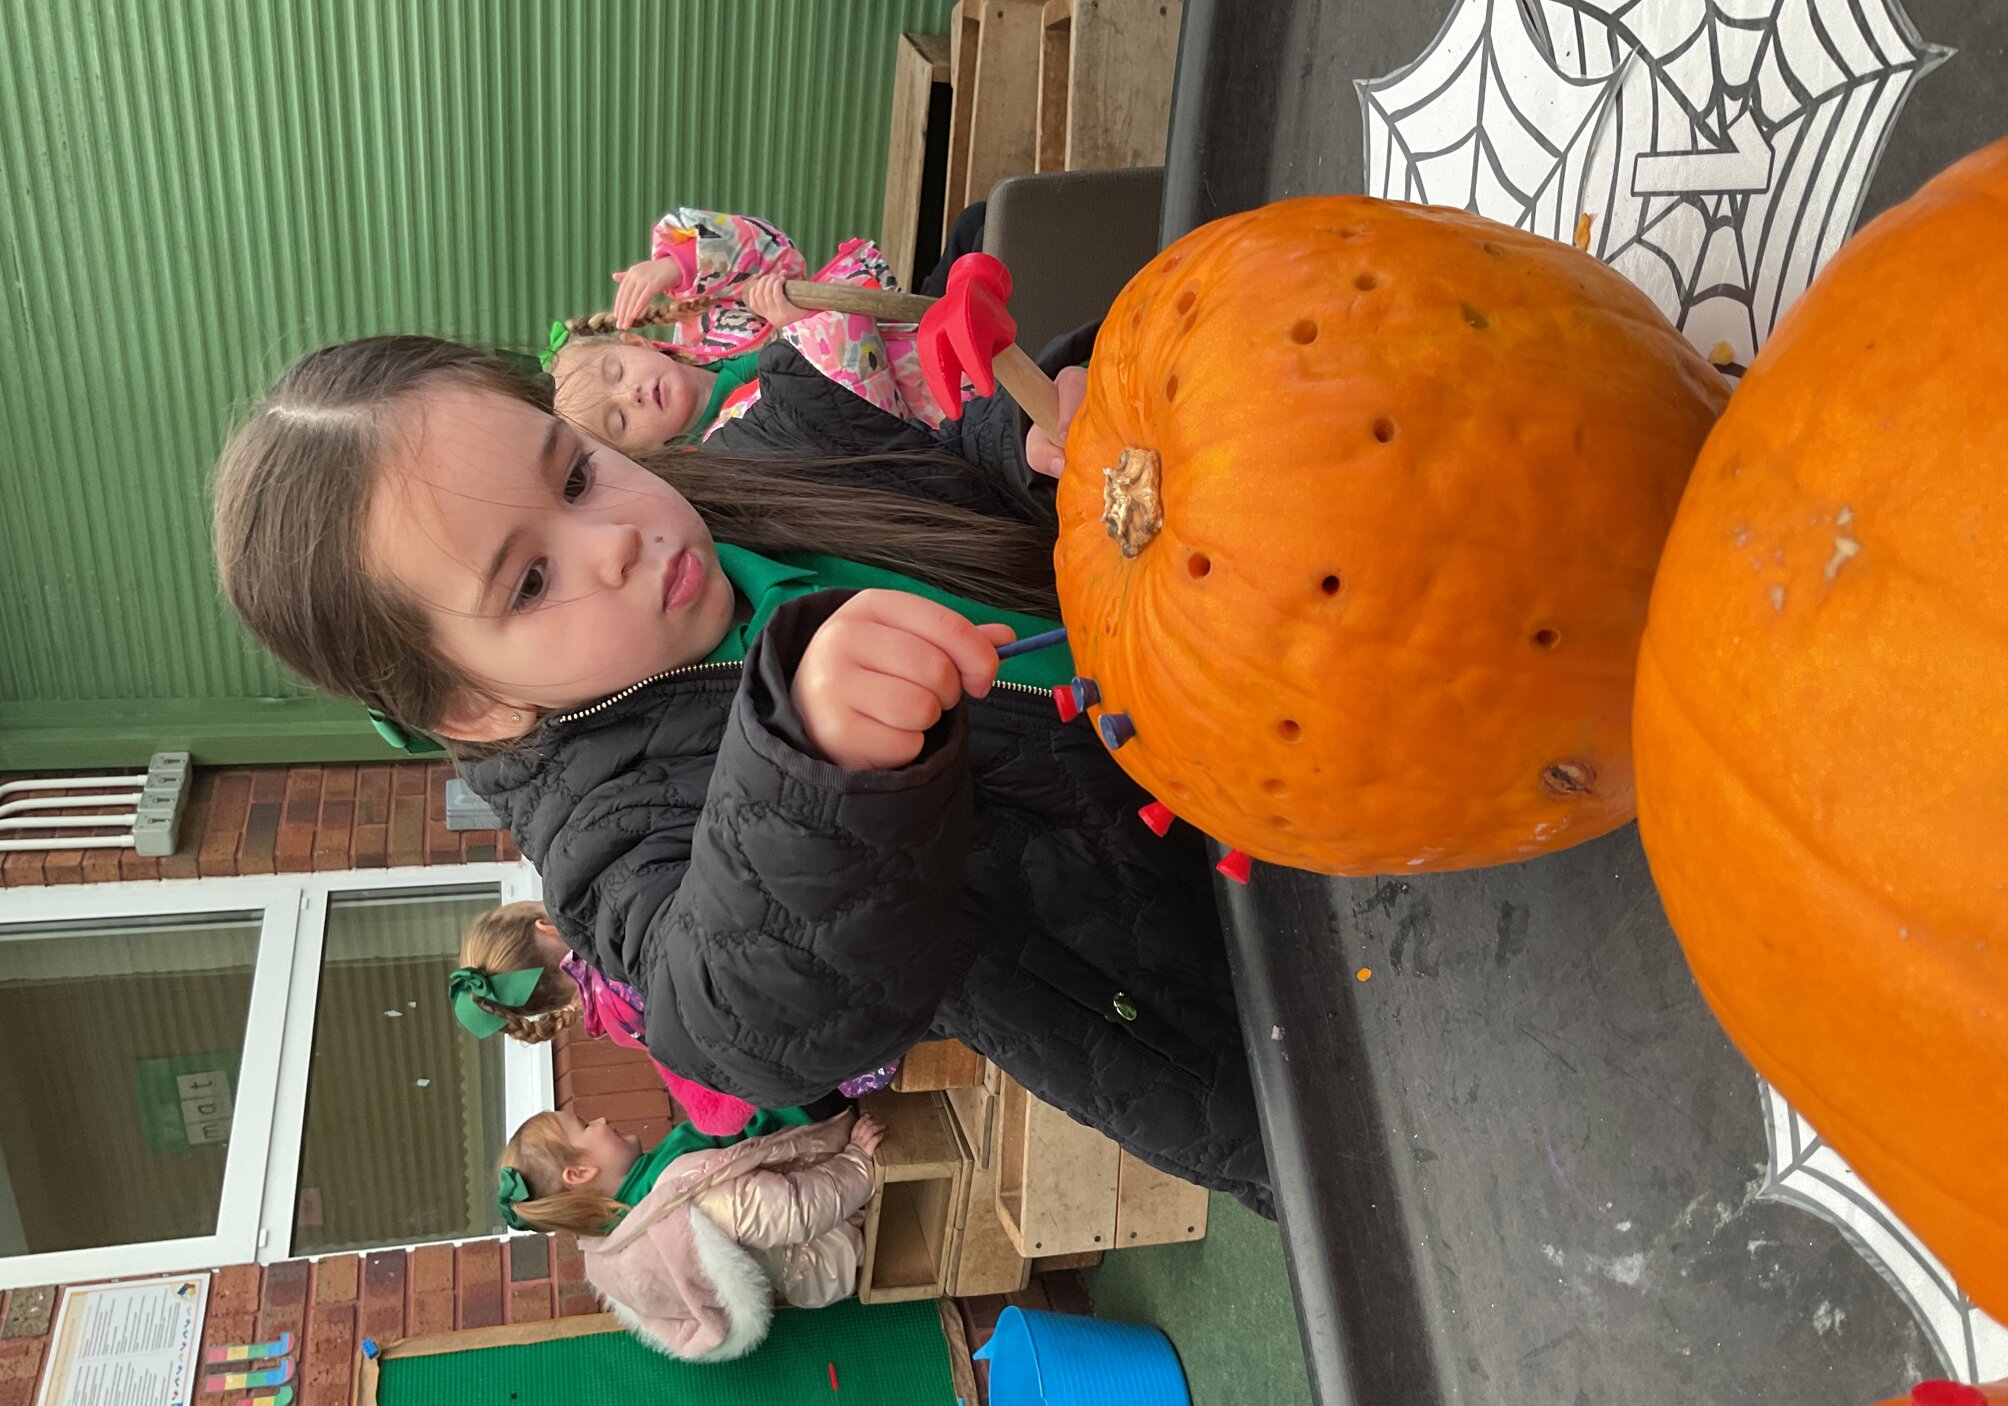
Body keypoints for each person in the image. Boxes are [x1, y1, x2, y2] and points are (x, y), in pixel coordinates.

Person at [212, 335, 1272, 1214]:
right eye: (531, 580)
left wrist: (1026, 442)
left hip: (1269, 671)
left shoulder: (774, 451)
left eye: (576, 471)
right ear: (469, 704)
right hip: (1247, 982)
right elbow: (735, 1018)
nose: (616, 537)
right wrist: (815, 769)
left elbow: (954, 469)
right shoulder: (614, 838)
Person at [452, 900, 895, 1135]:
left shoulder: (620, 1022)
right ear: (544, 927)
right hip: (822, 971)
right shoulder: (620, 925)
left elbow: (713, 1106)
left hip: (840, 1058)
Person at [545, 203, 957, 455]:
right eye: (618, 421)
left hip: (913, 325)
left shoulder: (709, 327)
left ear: (637, 343)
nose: (630, 395)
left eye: (616, 372)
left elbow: (779, 255)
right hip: (940, 401)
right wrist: (802, 327)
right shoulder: (732, 442)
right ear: (643, 453)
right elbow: (856, 422)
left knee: (974, 223)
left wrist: (680, 264)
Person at [498, 1107, 882, 1361]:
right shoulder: (689, 1205)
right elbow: (797, 1210)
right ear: (580, 1174)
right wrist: (857, 1161)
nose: (598, 1120)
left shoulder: (620, 1233)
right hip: (838, 1235)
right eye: (585, 1127)